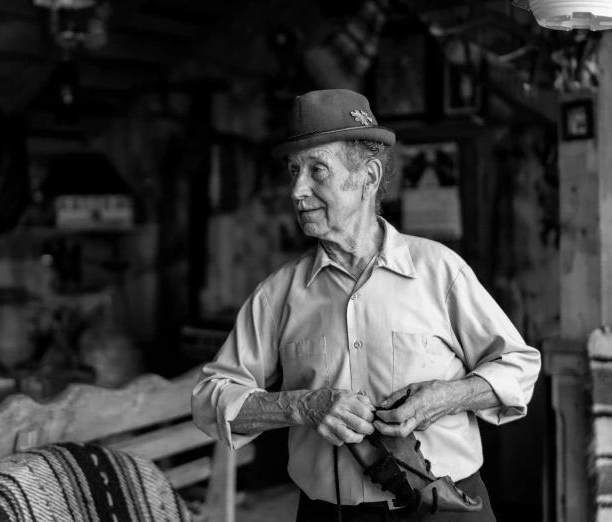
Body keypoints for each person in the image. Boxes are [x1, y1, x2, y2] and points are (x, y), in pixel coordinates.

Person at [191, 89, 541, 521]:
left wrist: (446, 397)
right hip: (331, 514)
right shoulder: (277, 294)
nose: (298, 190)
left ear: (369, 177)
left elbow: (518, 367)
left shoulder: (438, 270)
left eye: (317, 170)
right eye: (294, 171)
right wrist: (301, 405)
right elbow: (211, 399)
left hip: (445, 507)